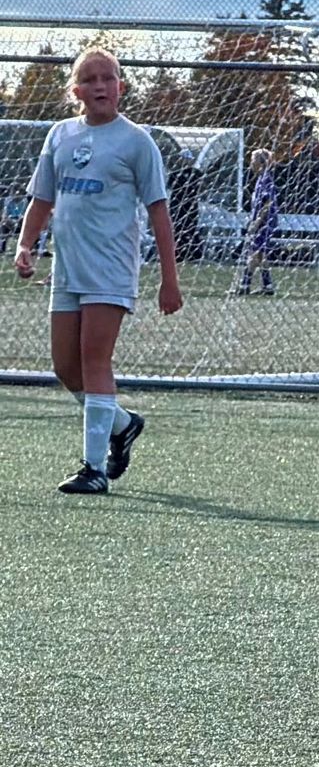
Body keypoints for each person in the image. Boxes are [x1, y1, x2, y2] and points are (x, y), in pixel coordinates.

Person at [11, 47, 184, 494]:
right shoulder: (60, 135)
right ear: (76, 91)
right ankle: (123, 425)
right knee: (66, 368)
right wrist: (25, 244)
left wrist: (170, 278)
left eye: (109, 78)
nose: (101, 85)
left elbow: (159, 211)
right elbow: (42, 200)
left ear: (121, 87)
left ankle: (93, 469)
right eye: (90, 79)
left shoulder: (137, 142)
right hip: (67, 269)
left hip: (110, 270)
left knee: (94, 360)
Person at [232, 147, 280, 296]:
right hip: (263, 223)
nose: (251, 164)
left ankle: (245, 285)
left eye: (253, 160)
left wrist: (257, 221)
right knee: (260, 255)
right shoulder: (260, 179)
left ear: (261, 162)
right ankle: (268, 286)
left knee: (253, 253)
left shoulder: (265, 180)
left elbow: (268, 202)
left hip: (265, 223)